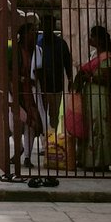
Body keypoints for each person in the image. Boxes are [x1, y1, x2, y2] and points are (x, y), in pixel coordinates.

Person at [73, 24, 111, 170]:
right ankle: (88, 160)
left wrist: (89, 78)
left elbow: (107, 80)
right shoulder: (95, 54)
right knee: (90, 126)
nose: (90, 39)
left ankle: (99, 162)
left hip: (99, 96)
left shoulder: (106, 57)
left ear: (99, 40)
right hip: (91, 96)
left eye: (92, 36)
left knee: (99, 127)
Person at [36, 13, 73, 129]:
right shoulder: (38, 43)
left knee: (54, 115)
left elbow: (68, 63)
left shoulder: (61, 44)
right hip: (40, 85)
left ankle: (52, 141)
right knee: (40, 115)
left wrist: (70, 79)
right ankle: (45, 140)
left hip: (56, 85)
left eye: (49, 24)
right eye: (45, 24)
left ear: (53, 26)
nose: (47, 27)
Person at [16, 20, 44, 168]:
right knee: (15, 123)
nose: (35, 34)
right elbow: (10, 72)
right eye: (32, 31)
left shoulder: (38, 51)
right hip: (17, 92)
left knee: (31, 124)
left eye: (36, 31)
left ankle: (27, 156)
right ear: (23, 35)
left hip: (33, 92)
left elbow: (42, 70)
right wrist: (22, 79)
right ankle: (18, 148)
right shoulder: (15, 50)